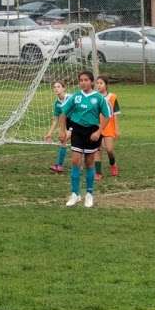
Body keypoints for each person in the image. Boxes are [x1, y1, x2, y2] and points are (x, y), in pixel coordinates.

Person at [58, 71, 109, 208]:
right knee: (75, 161)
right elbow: (63, 113)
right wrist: (62, 130)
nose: (83, 82)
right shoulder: (75, 97)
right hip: (77, 131)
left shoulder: (98, 98)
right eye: (81, 80)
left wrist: (99, 131)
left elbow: (107, 116)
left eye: (86, 80)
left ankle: (89, 194)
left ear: (91, 82)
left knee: (89, 163)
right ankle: (75, 194)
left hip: (92, 132)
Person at [94, 76, 122, 180]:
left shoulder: (112, 97)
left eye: (101, 83)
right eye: (97, 83)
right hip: (97, 127)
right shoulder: (95, 97)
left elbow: (115, 114)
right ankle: (98, 172)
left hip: (109, 127)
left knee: (109, 149)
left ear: (106, 85)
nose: (99, 85)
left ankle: (113, 164)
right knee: (97, 149)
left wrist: (117, 129)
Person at [44, 80, 71, 174]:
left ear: (64, 88)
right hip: (67, 125)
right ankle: (59, 166)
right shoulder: (57, 103)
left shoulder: (70, 98)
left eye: (58, 86)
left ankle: (61, 165)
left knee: (67, 141)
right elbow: (55, 120)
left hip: (77, 122)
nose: (56, 88)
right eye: (54, 87)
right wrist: (49, 133)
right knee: (63, 140)